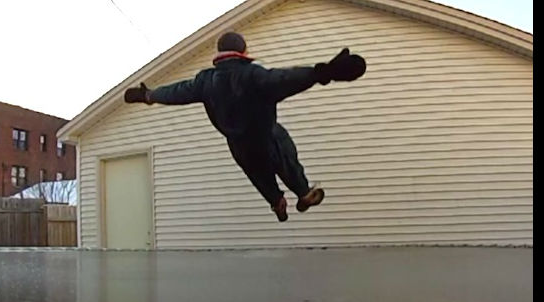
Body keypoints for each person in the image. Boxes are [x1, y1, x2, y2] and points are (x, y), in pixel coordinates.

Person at [125, 32, 366, 222]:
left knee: (258, 174)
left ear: (220, 53)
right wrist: (320, 73)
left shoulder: (205, 80)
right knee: (285, 155)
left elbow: (176, 92)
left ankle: (275, 201)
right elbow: (282, 79)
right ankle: (302, 192)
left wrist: (149, 95)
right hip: (265, 135)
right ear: (243, 51)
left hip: (238, 144)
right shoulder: (252, 75)